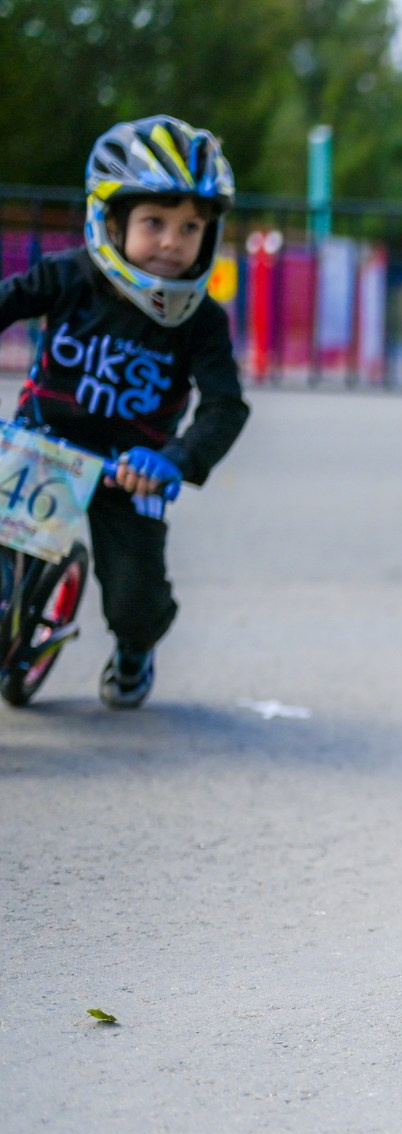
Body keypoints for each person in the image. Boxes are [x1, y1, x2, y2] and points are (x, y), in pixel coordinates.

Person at [0, 116, 248, 706]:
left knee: (136, 599)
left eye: (190, 227)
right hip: (43, 451)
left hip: (131, 471)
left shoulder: (202, 321)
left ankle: (135, 648)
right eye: (154, 222)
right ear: (111, 221)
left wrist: (176, 458)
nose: (171, 241)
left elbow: (225, 406)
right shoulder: (68, 277)